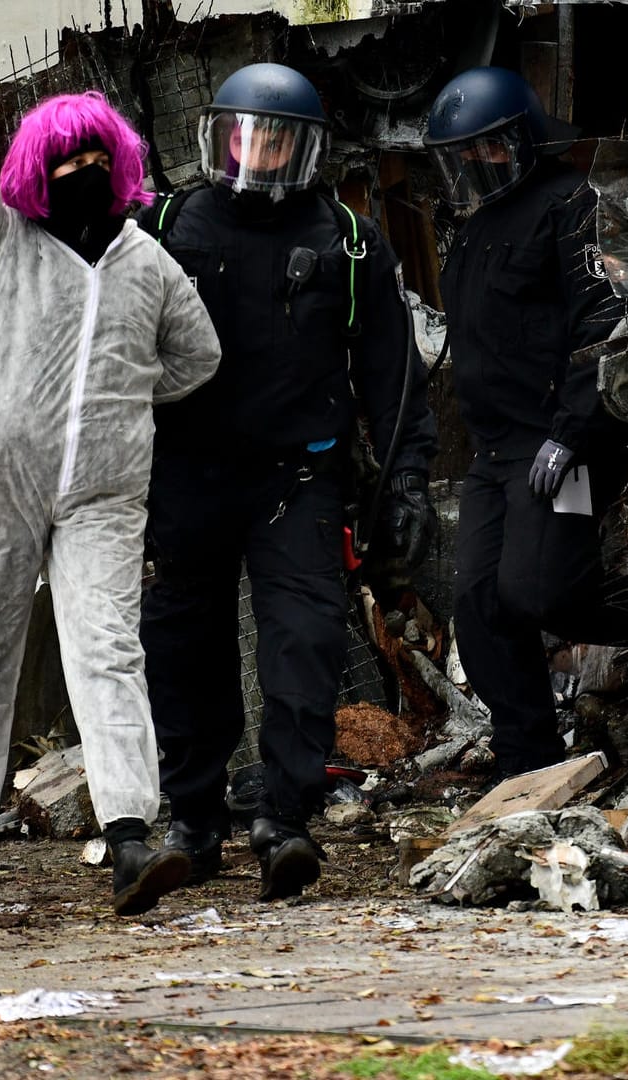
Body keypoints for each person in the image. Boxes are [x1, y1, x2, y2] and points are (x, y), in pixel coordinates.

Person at [0, 20, 220, 917]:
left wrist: (123, 400)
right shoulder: (3, 239)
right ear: (33, 167)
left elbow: (198, 358)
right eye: (63, 157)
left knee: (107, 650)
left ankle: (130, 841)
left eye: (93, 155)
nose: (78, 170)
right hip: (1, 479)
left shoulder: (148, 265)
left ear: (117, 162)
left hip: (104, 488)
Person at [139, 63, 438, 901]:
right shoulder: (162, 227)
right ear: (219, 136)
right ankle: (193, 822)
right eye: (247, 133)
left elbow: (393, 375)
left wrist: (407, 481)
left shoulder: (349, 244)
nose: (260, 151)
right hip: (187, 478)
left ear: (305, 150)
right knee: (182, 653)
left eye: (278, 138)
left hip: (298, 479)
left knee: (304, 648)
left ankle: (284, 819)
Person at [422, 67, 628, 782]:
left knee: (537, 592)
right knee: (478, 606)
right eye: (460, 156)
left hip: (559, 444)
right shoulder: (472, 230)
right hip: (495, 452)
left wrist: (572, 429)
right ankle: (529, 758)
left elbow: (606, 322)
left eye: (485, 150)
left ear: (521, 141)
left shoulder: (571, 206)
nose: (473, 167)